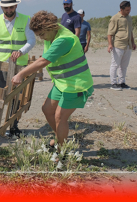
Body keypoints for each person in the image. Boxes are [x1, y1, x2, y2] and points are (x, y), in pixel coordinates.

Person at [12, 10, 94, 152]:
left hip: (76, 85)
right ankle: (59, 139)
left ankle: (61, 151)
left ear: (50, 27)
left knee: (60, 117)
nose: (42, 38)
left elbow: (44, 60)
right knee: (47, 109)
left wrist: (21, 74)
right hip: (63, 83)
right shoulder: (54, 33)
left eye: (42, 34)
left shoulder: (64, 39)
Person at [0, 0, 36, 137]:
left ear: (16, 5)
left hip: (19, 65)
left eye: (11, 7)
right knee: (3, 93)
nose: (8, 10)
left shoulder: (25, 19)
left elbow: (31, 40)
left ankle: (13, 125)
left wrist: (21, 51)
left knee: (17, 95)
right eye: (5, 8)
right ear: (2, 7)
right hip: (2, 64)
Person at [107, 1, 136, 91]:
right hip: (118, 44)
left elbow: (130, 31)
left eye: (130, 9)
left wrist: (133, 42)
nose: (129, 11)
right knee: (115, 64)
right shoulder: (115, 18)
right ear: (121, 9)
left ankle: (122, 82)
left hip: (128, 45)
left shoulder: (129, 18)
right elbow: (110, 33)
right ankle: (113, 83)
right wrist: (110, 44)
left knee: (124, 65)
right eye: (127, 10)